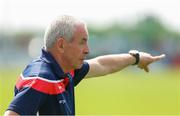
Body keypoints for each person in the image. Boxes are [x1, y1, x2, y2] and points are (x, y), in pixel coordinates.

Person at [4, 15, 165, 115]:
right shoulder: (42, 79)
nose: (87, 50)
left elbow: (102, 64)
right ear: (61, 45)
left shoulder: (64, 71)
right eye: (82, 43)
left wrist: (136, 58)